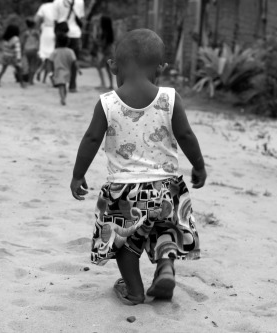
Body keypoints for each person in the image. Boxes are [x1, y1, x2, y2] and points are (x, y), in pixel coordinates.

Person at [70, 29, 206, 305]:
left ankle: (133, 289)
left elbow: (92, 138)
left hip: (124, 191)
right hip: (167, 187)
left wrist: (78, 174)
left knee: (124, 242)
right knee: (165, 230)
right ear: (160, 68)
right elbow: (187, 136)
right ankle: (165, 266)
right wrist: (199, 167)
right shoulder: (170, 98)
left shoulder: (107, 103)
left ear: (113, 66)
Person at [53, 0, 84, 92]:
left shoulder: (57, 1)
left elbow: (55, 20)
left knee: (58, 59)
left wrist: (57, 34)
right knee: (74, 60)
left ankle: (59, 81)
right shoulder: (80, 1)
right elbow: (81, 20)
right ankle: (72, 85)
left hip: (62, 34)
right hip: (75, 34)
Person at [48, 34, 77, 105]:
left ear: (57, 42)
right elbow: (74, 62)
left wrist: (50, 72)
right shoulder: (70, 51)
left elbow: (49, 61)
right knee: (64, 86)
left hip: (58, 71)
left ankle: (62, 98)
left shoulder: (55, 51)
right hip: (67, 71)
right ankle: (63, 98)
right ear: (68, 42)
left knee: (61, 86)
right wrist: (78, 70)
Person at [92, 15, 117, 90]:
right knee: (107, 68)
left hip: (107, 53)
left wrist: (95, 39)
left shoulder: (105, 33)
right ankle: (110, 85)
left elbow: (102, 44)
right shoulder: (109, 32)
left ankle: (103, 84)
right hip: (109, 52)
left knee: (99, 66)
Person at [34, 0, 56, 83]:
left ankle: (40, 70)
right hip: (56, 31)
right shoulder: (60, 5)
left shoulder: (44, 6)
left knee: (45, 56)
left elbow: (36, 19)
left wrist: (36, 30)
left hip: (46, 31)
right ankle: (51, 75)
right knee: (52, 57)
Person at [21, 18, 41, 85]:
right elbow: (39, 41)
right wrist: (38, 49)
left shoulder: (25, 33)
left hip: (26, 50)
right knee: (33, 65)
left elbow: (22, 43)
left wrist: (21, 51)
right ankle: (31, 80)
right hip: (34, 49)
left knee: (28, 65)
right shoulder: (36, 33)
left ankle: (28, 79)